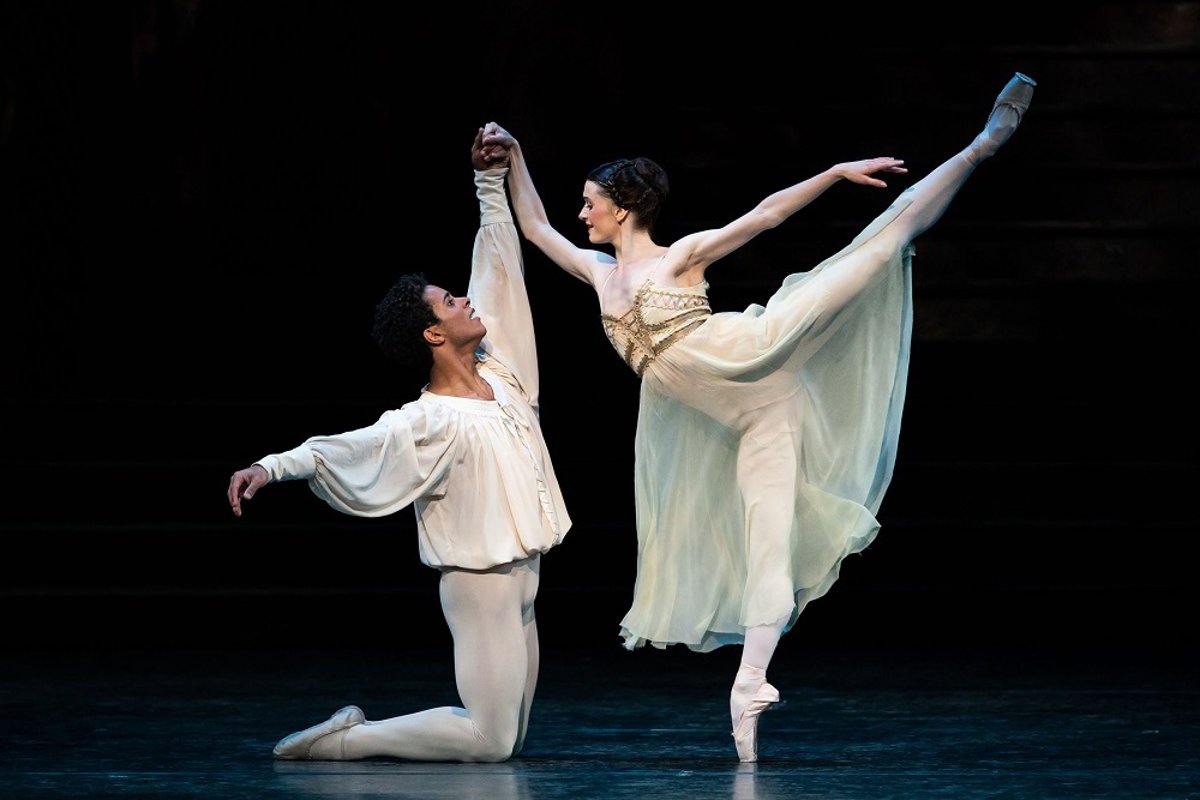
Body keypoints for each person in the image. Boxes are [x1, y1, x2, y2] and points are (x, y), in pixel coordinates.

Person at [481, 72, 1036, 762]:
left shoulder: (679, 258)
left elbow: (765, 215)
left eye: (590, 202)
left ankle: (983, 144)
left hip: (763, 349)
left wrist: (833, 173)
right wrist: (515, 154)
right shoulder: (597, 272)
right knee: (765, 544)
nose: (581, 213)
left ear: (622, 209)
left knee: (880, 242)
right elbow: (533, 227)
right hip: (753, 419)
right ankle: (749, 685)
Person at [225, 128, 571, 763]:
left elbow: (499, 267)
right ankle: (344, 742)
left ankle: (350, 741)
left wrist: (489, 180)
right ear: (434, 334)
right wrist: (269, 467)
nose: (464, 299)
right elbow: (348, 448)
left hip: (525, 575)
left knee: (511, 740)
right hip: (481, 583)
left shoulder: (505, 374)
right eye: (450, 301)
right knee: (490, 742)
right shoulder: (425, 420)